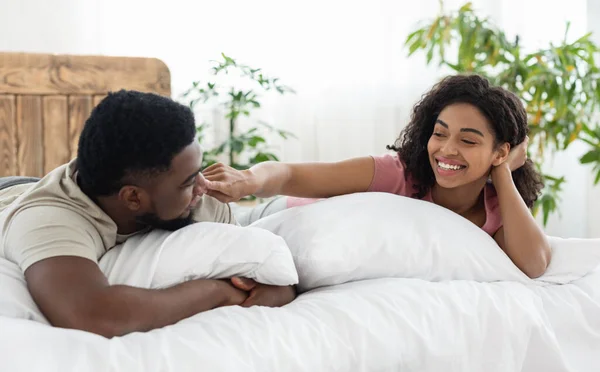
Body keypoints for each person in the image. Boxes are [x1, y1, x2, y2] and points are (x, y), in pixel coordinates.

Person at [0, 90, 295, 338]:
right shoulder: (46, 221)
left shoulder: (198, 198)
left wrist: (279, 288)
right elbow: (94, 315)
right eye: (189, 181)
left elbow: (268, 280)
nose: (204, 186)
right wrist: (217, 292)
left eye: (198, 172)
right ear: (133, 197)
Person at [201, 74, 552, 279]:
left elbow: (535, 265)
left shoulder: (496, 209)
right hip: (275, 217)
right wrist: (248, 179)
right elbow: (291, 174)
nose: (446, 150)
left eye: (469, 140)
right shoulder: (399, 174)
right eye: (440, 133)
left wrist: (503, 171)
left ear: (501, 151)